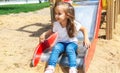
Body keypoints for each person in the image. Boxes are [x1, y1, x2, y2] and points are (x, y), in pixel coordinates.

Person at [39, 2, 90, 73]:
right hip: (61, 43)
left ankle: (72, 68)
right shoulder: (56, 24)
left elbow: (84, 29)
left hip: (72, 43)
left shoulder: (74, 24)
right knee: (56, 48)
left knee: (70, 49)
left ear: (67, 15)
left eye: (59, 14)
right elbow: (51, 31)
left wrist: (86, 38)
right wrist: (45, 34)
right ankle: (50, 67)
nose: (56, 16)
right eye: (55, 13)